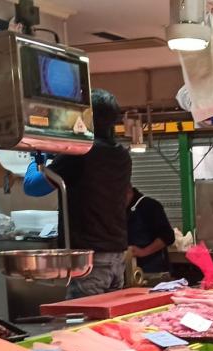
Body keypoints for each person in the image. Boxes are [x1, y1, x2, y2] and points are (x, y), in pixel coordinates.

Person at [23, 89, 132, 299]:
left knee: (79, 326)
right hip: (116, 257)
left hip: (90, 262)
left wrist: (36, 160)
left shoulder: (80, 153)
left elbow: (33, 187)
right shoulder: (121, 154)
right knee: (105, 326)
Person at [126, 186, 176, 274]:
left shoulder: (150, 206)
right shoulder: (118, 210)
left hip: (153, 271)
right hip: (128, 270)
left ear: (128, 191)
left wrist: (143, 252)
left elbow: (168, 236)